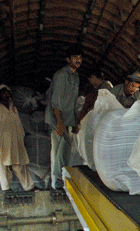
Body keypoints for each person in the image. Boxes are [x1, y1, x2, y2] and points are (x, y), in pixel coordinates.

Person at [44, 45, 82, 189]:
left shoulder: (75, 76)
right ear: (68, 60)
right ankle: (58, 181)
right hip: (57, 118)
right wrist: (59, 122)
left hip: (67, 119)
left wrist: (75, 121)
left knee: (65, 148)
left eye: (79, 58)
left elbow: (72, 101)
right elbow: (57, 102)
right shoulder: (61, 75)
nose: (78, 60)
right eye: (74, 58)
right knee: (59, 149)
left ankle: (61, 177)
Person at [0, 85, 34, 192]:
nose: (6, 94)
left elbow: (18, 125)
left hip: (15, 140)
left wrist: (21, 139)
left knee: (20, 164)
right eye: (4, 92)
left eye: (8, 92)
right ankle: (6, 188)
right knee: (3, 167)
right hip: (1, 142)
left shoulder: (13, 108)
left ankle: (29, 187)